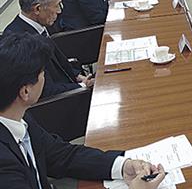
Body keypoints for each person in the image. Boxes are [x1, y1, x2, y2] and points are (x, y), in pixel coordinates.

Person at [0, 32, 166, 189]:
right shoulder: (4, 163)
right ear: (25, 92)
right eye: (42, 73)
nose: (44, 78)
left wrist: (122, 166)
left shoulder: (18, 117)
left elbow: (61, 155)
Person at [3, 0, 94, 98]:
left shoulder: (39, 24)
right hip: (58, 103)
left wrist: (78, 77)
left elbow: (59, 61)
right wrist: (83, 86)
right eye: (56, 6)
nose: (59, 11)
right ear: (37, 9)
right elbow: (45, 91)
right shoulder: (21, 43)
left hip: (69, 87)